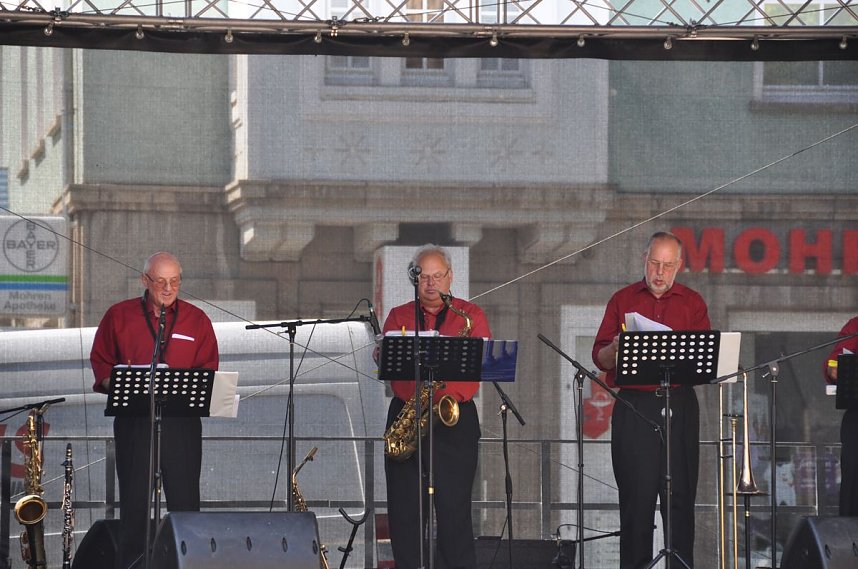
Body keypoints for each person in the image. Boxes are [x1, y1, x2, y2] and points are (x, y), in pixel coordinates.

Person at [90, 252, 219, 569]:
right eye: (160, 281)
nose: (168, 288)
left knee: (186, 508)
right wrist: (118, 383)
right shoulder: (118, 316)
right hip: (135, 424)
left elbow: (209, 370)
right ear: (144, 280)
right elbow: (101, 362)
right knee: (134, 509)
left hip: (181, 425)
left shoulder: (197, 319)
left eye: (174, 281)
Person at [592, 231, 711, 569]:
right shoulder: (622, 299)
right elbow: (599, 358)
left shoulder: (692, 302)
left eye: (668, 265)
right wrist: (616, 347)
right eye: (655, 263)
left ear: (679, 265)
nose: (660, 272)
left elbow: (705, 360)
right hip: (635, 407)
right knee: (636, 502)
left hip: (679, 404)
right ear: (644, 259)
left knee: (680, 500)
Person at [381, 244, 491, 569]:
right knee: (405, 515)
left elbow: (479, 367)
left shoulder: (471, 315)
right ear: (414, 278)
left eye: (438, 276)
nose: (431, 283)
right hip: (407, 414)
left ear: (450, 276)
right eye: (424, 276)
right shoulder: (398, 316)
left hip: (454, 420)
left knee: (455, 513)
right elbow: (388, 367)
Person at [824, 316, 858, 515]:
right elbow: (834, 363)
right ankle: (851, 530)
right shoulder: (856, 325)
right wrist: (834, 368)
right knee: (853, 466)